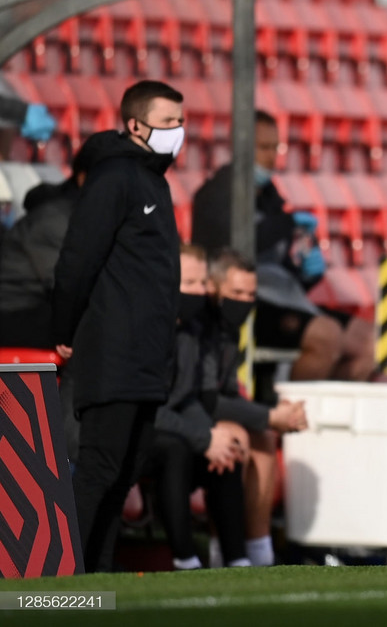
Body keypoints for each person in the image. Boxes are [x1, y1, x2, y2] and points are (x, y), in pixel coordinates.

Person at [51, 80, 186, 573]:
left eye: (180, 121)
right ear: (134, 124)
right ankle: (63, 576)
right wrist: (62, 330)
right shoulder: (115, 178)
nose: (178, 131)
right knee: (100, 468)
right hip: (114, 348)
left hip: (149, 353)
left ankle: (100, 578)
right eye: (168, 122)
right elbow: (78, 260)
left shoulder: (154, 180)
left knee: (125, 470)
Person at [191, 110, 376, 382]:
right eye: (264, 147)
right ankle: (288, 417)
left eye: (275, 147)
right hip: (241, 303)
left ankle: (323, 416)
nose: (271, 156)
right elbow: (238, 251)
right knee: (326, 336)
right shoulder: (215, 196)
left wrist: (305, 275)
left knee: (369, 341)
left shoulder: (271, 199)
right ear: (239, 146)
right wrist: (286, 223)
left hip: (279, 301)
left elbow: (278, 272)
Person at [147, 244, 252, 570]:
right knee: (177, 448)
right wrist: (202, 437)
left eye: (202, 283)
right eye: (189, 284)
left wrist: (211, 437)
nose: (200, 292)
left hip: (169, 422)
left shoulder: (190, 331)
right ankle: (185, 559)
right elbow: (144, 404)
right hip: (132, 430)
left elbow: (187, 395)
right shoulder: (145, 329)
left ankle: (238, 560)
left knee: (227, 449)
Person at [201, 248, 308, 567]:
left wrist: (271, 418)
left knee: (263, 438)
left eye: (250, 294)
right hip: (182, 415)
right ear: (214, 289)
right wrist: (271, 415)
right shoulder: (199, 329)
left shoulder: (230, 331)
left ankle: (260, 552)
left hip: (205, 409)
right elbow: (206, 398)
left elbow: (230, 392)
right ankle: (226, 555)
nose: (244, 301)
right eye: (236, 293)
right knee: (237, 436)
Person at [0, 140, 101, 348]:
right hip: (14, 313)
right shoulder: (55, 220)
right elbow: (65, 285)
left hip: (38, 309)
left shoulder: (88, 217)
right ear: (83, 179)